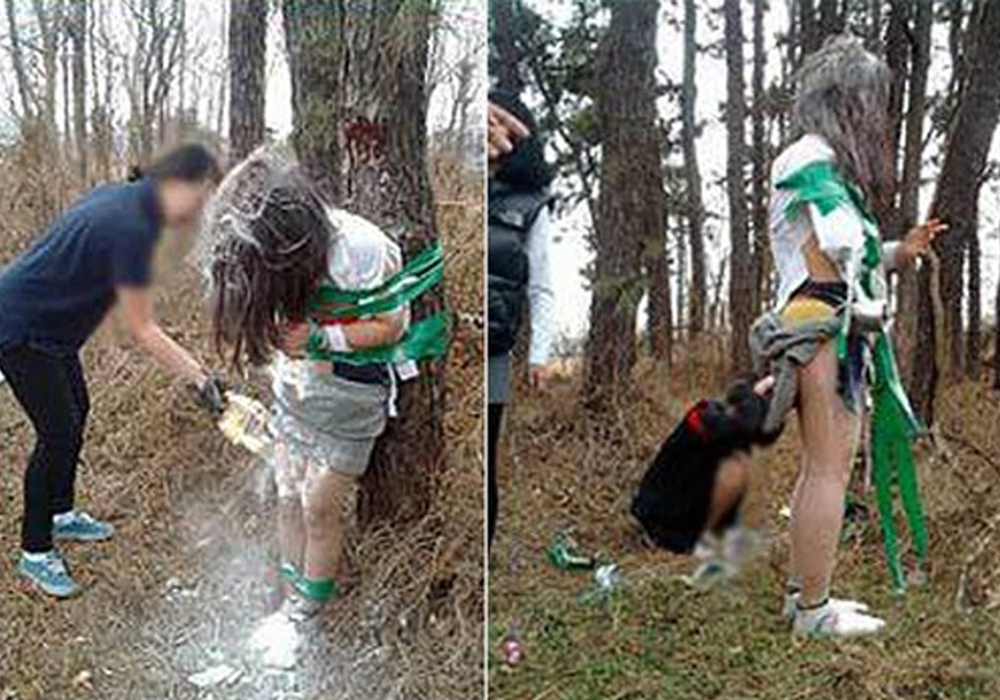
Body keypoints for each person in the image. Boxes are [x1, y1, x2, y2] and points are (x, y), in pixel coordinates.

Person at [760, 36, 946, 637]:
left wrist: (898, 250)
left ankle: (802, 595)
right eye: (872, 101)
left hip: (832, 326)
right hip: (825, 329)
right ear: (848, 101)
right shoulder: (808, 157)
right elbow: (839, 243)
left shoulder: (821, 164)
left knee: (821, 466)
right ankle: (813, 612)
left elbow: (854, 254)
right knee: (828, 471)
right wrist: (868, 244)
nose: (877, 116)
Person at [0, 144, 225, 598]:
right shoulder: (134, 227)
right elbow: (142, 328)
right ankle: (36, 551)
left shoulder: (125, 197)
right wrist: (200, 378)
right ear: (177, 183)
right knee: (57, 432)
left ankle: (61, 513)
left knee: (76, 410)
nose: (198, 212)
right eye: (200, 198)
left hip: (51, 329)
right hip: (20, 325)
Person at [204, 149, 414, 631]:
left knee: (319, 506)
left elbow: (392, 326)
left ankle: (307, 612)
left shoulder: (361, 249)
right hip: (295, 395)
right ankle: (289, 590)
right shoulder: (254, 253)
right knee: (286, 494)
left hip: (351, 401)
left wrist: (324, 339)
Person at [487, 90, 557, 546]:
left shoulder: (530, 203)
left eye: (505, 125)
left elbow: (542, 285)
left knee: (486, 460)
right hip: (444, 341)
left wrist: (540, 355)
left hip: (494, 349)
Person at [631, 376, 780, 567]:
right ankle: (669, 536)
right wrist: (756, 393)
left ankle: (712, 533)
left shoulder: (732, 430)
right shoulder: (704, 417)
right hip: (662, 518)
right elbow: (744, 426)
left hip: (688, 514)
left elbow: (764, 435)